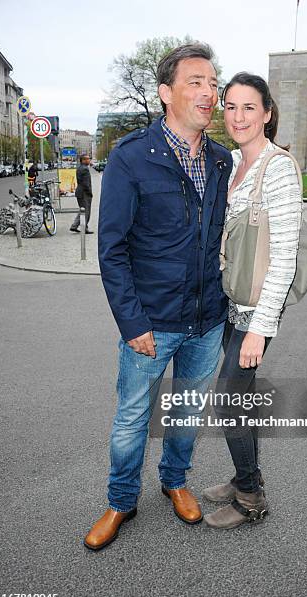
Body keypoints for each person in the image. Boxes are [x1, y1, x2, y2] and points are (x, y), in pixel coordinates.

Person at [84, 43, 232, 550]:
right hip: (151, 321)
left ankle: (175, 481)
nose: (209, 92)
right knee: (131, 418)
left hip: (207, 320)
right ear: (167, 93)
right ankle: (121, 500)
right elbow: (112, 249)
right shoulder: (131, 157)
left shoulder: (220, 160)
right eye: (196, 82)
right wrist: (132, 324)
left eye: (212, 82)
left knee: (187, 411)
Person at [202, 73, 302, 529]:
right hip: (232, 302)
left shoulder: (277, 167)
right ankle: (246, 474)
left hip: (255, 310)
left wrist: (260, 328)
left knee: (229, 398)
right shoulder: (235, 165)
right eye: (231, 107)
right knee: (236, 399)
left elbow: (283, 257)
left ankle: (251, 495)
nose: (238, 117)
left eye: (249, 108)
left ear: (267, 114)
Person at [70, 154, 94, 234]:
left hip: (80, 192)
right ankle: (84, 228)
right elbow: (86, 184)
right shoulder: (85, 169)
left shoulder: (80, 168)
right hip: (84, 193)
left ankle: (74, 226)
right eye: (86, 159)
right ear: (82, 160)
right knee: (86, 211)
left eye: (89, 159)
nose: (88, 160)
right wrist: (90, 193)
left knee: (82, 210)